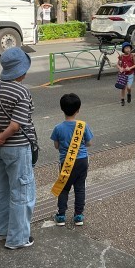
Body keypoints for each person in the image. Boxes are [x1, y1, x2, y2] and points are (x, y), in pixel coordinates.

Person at [0, 47, 36, 249]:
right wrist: (0, 138)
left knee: (1, 190)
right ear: (21, 71)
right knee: (21, 192)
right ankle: (18, 238)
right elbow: (15, 125)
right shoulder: (21, 91)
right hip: (18, 148)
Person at [51, 93, 94, 226]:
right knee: (80, 188)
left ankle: (61, 216)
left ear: (62, 109)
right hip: (82, 160)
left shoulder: (58, 128)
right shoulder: (83, 125)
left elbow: (56, 146)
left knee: (64, 188)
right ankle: (78, 216)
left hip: (66, 162)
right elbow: (89, 143)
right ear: (78, 110)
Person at [117, 41, 135, 106]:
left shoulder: (132, 56)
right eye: (126, 48)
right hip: (123, 75)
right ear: (123, 49)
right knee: (123, 88)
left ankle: (129, 94)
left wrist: (130, 68)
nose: (128, 49)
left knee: (129, 87)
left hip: (130, 74)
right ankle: (122, 99)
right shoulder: (121, 56)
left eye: (129, 48)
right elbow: (117, 64)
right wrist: (120, 68)